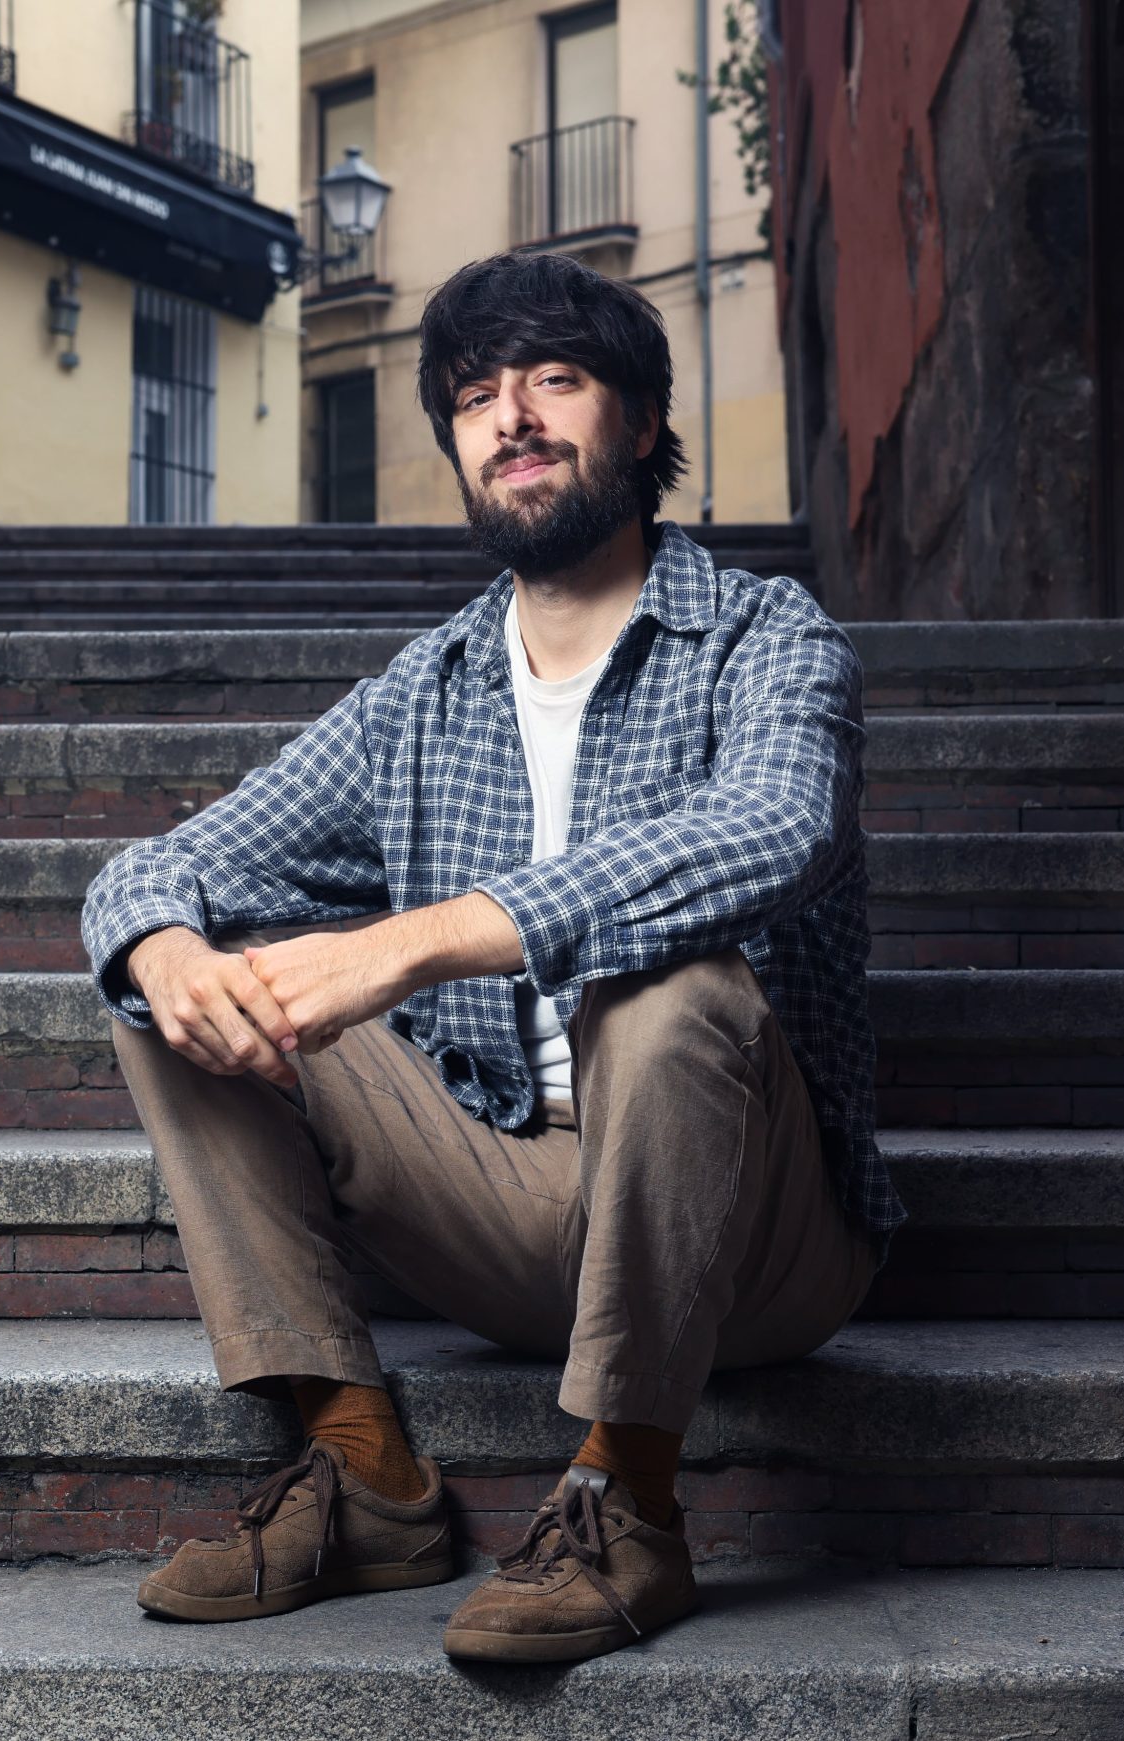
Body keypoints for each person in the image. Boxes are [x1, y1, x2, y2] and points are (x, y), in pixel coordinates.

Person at [82, 247, 901, 1664]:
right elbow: (159, 866)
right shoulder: (425, 695)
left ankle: (627, 1500)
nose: (511, 417)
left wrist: (408, 947)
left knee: (667, 982)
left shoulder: (765, 636)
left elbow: (778, 828)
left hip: (756, 1236)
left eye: (555, 381)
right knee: (178, 994)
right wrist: (159, 941)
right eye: (475, 396)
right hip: (506, 1200)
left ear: (638, 423)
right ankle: (362, 1472)